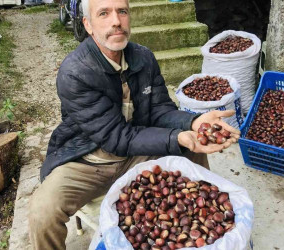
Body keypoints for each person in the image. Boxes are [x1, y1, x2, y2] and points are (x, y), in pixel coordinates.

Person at [28, 0, 240, 248]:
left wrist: (193, 122)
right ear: (88, 24)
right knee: (42, 212)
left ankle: (204, 221)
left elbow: (160, 110)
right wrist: (175, 138)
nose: (116, 21)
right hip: (89, 159)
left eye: (122, 11)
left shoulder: (143, 58)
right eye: (104, 13)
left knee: (192, 150)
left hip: (136, 153)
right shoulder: (75, 72)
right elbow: (116, 137)